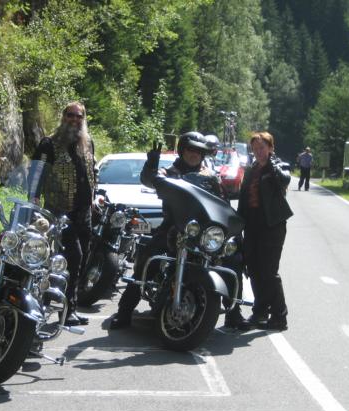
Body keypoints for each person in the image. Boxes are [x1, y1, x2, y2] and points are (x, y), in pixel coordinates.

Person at [109, 131, 229, 329]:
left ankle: (234, 313)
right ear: (182, 150)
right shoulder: (170, 172)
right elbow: (150, 180)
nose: (194, 154)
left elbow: (223, 203)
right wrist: (151, 165)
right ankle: (124, 312)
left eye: (198, 151)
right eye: (190, 149)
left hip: (201, 232)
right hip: (173, 227)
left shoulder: (210, 177)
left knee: (231, 258)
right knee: (148, 261)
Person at [28, 101, 95, 326]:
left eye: (79, 116)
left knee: (81, 260)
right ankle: (46, 303)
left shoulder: (87, 143)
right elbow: (36, 174)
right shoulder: (49, 143)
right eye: (70, 115)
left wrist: (94, 200)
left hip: (84, 213)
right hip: (59, 212)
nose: (74, 119)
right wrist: (33, 201)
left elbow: (90, 173)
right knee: (71, 257)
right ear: (63, 116)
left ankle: (68, 310)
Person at [237, 132, 293, 331]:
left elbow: (285, 180)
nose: (258, 152)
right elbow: (243, 197)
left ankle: (279, 316)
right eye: (255, 148)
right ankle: (260, 311)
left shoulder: (277, 166)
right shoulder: (251, 169)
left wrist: (273, 166)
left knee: (268, 271)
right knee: (253, 269)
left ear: (270, 148)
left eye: (262, 147)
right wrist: (238, 223)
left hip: (272, 225)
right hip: (252, 224)